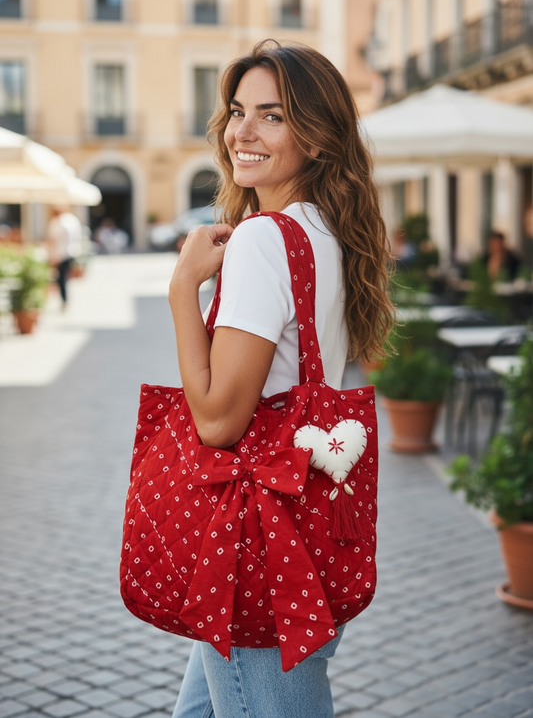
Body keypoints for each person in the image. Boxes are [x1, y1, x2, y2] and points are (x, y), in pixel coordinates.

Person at [167, 40, 395, 718]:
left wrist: (184, 288)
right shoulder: (329, 231)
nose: (243, 131)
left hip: (261, 549)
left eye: (273, 115)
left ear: (318, 137)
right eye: (238, 111)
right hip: (310, 531)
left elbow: (217, 421)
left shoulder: (266, 240)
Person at [46, 206, 83, 308]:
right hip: (70, 252)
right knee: (63, 277)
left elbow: (53, 240)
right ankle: (64, 299)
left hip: (61, 254)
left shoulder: (57, 223)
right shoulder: (71, 220)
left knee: (61, 278)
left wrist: (51, 255)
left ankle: (64, 299)